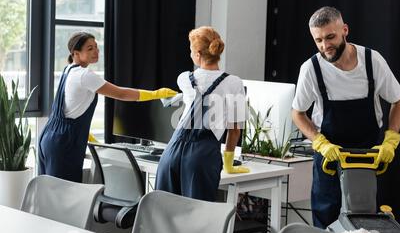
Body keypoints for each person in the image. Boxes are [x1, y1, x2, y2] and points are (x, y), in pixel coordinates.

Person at [291, 7, 400, 229]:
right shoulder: (311, 69)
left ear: (344, 30)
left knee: (366, 225)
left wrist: (391, 139)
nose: (325, 46)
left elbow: (399, 100)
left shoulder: (373, 62)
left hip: (369, 158)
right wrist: (319, 141)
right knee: (326, 226)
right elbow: (297, 113)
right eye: (319, 40)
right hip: (329, 160)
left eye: (330, 37)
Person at [38, 32, 177, 183]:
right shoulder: (85, 75)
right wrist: (155, 94)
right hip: (63, 142)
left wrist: (84, 133)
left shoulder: (68, 70)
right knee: (62, 195)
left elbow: (70, 109)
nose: (96, 51)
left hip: (49, 137)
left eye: (96, 47)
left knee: (49, 193)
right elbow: (121, 94)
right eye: (90, 48)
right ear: (76, 53)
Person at [155, 26, 250, 202]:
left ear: (198, 54)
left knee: (165, 212)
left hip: (172, 152)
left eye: (191, 50)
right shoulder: (234, 83)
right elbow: (235, 129)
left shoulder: (183, 78)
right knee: (197, 216)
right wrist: (228, 164)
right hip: (202, 156)